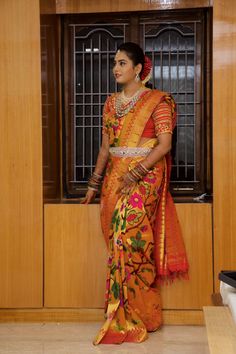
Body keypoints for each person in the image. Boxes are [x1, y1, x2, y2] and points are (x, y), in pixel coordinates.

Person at [81, 42, 189, 345]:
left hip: (145, 176)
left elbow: (164, 145)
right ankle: (118, 310)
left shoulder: (158, 101)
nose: (116, 68)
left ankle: (143, 314)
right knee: (116, 242)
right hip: (115, 178)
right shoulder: (110, 103)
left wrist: (137, 172)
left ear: (139, 68)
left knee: (131, 238)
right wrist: (93, 183)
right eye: (114, 63)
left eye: (122, 63)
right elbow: (106, 147)